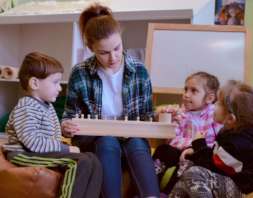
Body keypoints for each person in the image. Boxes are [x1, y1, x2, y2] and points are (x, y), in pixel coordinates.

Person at [61, 3, 160, 198]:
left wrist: (162, 117)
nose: (113, 57)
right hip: (97, 141)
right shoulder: (80, 73)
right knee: (107, 141)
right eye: (104, 53)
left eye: (117, 48)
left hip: (132, 139)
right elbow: (68, 115)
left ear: (121, 39)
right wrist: (66, 125)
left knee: (138, 145)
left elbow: (147, 115)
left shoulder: (139, 70)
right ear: (91, 49)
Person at [3, 52, 102, 198]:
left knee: (92, 160)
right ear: (35, 83)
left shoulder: (46, 106)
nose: (60, 88)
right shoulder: (26, 106)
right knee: (77, 161)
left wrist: (63, 135)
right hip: (23, 154)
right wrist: (66, 148)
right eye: (55, 82)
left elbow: (48, 136)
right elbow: (33, 143)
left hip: (36, 152)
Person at [169, 80, 253, 198]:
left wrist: (199, 144)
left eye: (218, 103)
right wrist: (194, 152)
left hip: (243, 189)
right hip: (229, 180)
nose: (213, 106)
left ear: (231, 119)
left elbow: (211, 167)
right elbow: (216, 158)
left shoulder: (238, 143)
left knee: (195, 173)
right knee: (188, 171)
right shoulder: (231, 132)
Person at [152, 72, 223, 195]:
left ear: (209, 98)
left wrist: (191, 148)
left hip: (199, 153)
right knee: (163, 150)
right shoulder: (182, 111)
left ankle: (168, 192)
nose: (186, 95)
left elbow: (212, 143)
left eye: (193, 91)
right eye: (186, 89)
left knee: (188, 161)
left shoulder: (214, 115)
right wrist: (172, 120)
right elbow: (172, 138)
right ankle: (151, 189)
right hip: (181, 148)